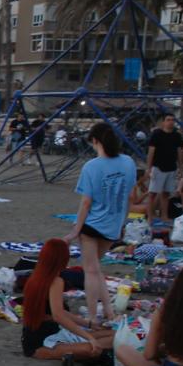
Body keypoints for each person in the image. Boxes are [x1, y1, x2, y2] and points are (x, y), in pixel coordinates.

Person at [65, 121, 138, 324]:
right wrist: (123, 222)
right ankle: (108, 310)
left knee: (90, 270)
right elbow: (130, 196)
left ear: (95, 141)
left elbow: (86, 202)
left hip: (92, 224)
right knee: (96, 268)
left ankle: (91, 315)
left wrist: (75, 230)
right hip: (113, 223)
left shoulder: (92, 167)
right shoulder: (128, 162)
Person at [18, 238, 113, 364]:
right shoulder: (55, 282)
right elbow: (59, 316)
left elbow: (57, 312)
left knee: (113, 335)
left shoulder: (35, 278)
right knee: (95, 346)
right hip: (44, 343)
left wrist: (88, 325)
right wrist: (89, 337)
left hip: (36, 337)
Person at [145, 112, 183, 222]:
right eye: (168, 120)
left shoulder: (177, 136)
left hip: (171, 168)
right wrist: (148, 168)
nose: (171, 122)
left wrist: (180, 168)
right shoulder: (157, 134)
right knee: (152, 193)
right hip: (158, 168)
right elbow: (151, 152)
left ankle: (164, 216)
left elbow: (179, 152)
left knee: (166, 194)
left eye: (172, 120)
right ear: (163, 122)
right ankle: (150, 216)